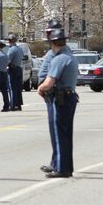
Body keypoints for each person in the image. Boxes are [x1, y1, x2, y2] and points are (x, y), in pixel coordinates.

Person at [36, 28, 78, 178]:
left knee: (60, 135)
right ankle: (62, 165)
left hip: (61, 99)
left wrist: (40, 89)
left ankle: (62, 168)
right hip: (67, 97)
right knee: (64, 135)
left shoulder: (59, 59)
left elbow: (49, 82)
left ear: (53, 43)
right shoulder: (68, 56)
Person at [38, 19, 64, 174]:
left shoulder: (58, 54)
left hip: (54, 92)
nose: (48, 35)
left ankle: (58, 164)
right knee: (54, 132)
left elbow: (54, 75)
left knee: (57, 132)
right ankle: (55, 162)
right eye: (48, 33)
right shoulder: (52, 52)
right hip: (49, 94)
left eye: (50, 32)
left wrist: (44, 87)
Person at [6, 34, 24, 111]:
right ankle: (19, 105)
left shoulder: (11, 50)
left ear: (10, 41)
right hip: (19, 69)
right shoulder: (20, 49)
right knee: (18, 88)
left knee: (12, 88)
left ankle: (13, 105)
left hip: (13, 69)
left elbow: (7, 60)